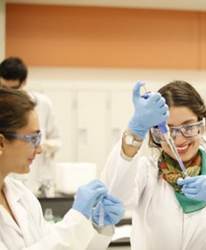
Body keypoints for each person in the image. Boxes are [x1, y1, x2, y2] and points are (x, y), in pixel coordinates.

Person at [102, 81, 206, 250]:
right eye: (168, 129)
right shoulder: (146, 172)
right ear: (156, 132)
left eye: (188, 127)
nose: (178, 139)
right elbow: (113, 198)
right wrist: (135, 130)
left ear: (201, 126)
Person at [0, 87, 124, 249]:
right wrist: (76, 217)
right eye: (33, 138)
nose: (39, 149)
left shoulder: (22, 196)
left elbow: (59, 245)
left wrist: (98, 226)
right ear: (1, 142)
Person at [0, 57, 61, 194]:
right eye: (4, 88)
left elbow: (57, 140)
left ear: (24, 82)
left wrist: (38, 144)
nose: (9, 94)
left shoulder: (41, 104)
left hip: (32, 181)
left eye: (14, 88)